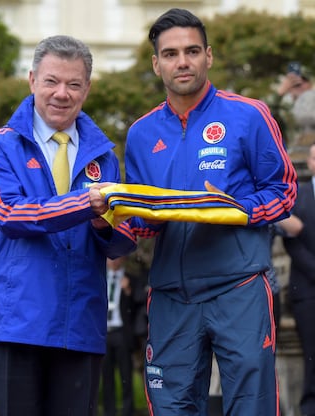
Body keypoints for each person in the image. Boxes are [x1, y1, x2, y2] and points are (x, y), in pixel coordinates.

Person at [124, 8, 297, 416]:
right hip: (170, 293)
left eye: (191, 51)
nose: (181, 61)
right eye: (170, 54)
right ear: (156, 63)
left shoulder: (249, 115)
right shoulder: (140, 134)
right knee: (171, 407)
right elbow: (142, 224)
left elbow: (283, 190)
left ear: (209, 56)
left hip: (238, 287)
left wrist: (237, 210)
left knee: (250, 406)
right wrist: (125, 215)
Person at [0, 35, 136, 416]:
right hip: (16, 324)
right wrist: (86, 203)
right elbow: (9, 214)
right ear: (32, 80)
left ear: (87, 88)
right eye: (51, 81)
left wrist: (102, 224)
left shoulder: (105, 157)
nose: (61, 93)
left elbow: (123, 240)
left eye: (74, 84)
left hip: (80, 325)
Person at [283, 142, 315, 416]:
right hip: (308, 290)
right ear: (311, 162)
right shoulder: (298, 196)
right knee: (312, 354)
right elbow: (292, 243)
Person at [100, 257, 134, 416]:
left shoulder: (129, 278)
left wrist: (128, 291)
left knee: (126, 375)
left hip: (121, 332)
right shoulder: (99, 277)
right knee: (107, 377)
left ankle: (128, 411)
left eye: (117, 256)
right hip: (104, 332)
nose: (113, 260)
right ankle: (109, 412)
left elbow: (139, 303)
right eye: (110, 257)